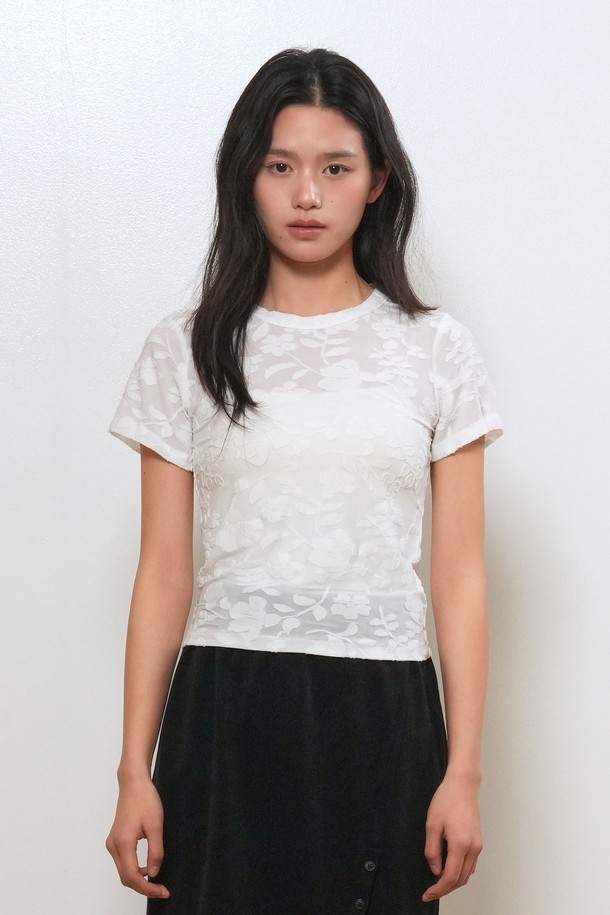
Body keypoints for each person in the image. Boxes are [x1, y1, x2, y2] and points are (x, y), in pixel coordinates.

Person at [105, 46, 503, 915]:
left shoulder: (436, 350)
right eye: (280, 166)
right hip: (226, 710)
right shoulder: (186, 349)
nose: (308, 195)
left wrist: (464, 770)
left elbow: (460, 573)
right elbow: (164, 570)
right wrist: (134, 768)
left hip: (383, 709)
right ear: (245, 177)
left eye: (336, 167)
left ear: (378, 180)